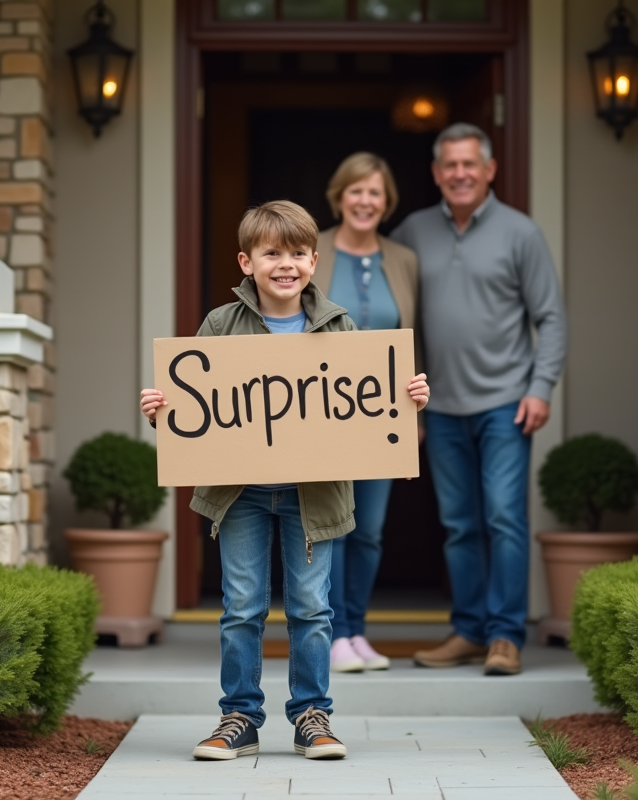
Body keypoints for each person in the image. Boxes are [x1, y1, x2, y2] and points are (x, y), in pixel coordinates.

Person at [140, 200, 430, 760]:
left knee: (311, 608)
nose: (286, 264)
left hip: (313, 496)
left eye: (298, 253)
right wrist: (162, 410)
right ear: (247, 262)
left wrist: (408, 398)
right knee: (242, 607)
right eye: (272, 253)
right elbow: (196, 408)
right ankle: (239, 719)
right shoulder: (220, 326)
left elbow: (368, 405)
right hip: (240, 493)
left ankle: (313, 718)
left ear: (314, 261)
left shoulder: (340, 326)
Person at [390, 123, 567, 677]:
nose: (460, 174)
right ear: (436, 173)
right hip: (438, 408)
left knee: (503, 518)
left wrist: (541, 388)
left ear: (489, 170)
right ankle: (468, 630)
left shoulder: (521, 233)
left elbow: (551, 317)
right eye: (450, 165)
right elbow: (392, 317)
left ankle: (505, 637)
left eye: (470, 164)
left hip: (505, 405)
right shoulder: (413, 232)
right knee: (461, 523)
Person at [310, 152, 419, 674]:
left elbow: (414, 339)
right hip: (323, 411)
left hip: (385, 416)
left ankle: (357, 631)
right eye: (356, 190)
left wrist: (415, 414)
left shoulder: (403, 259)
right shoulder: (314, 251)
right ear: (339, 196)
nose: (364, 200)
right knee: (333, 523)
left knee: (370, 527)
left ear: (386, 201)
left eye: (374, 192)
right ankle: (331, 632)